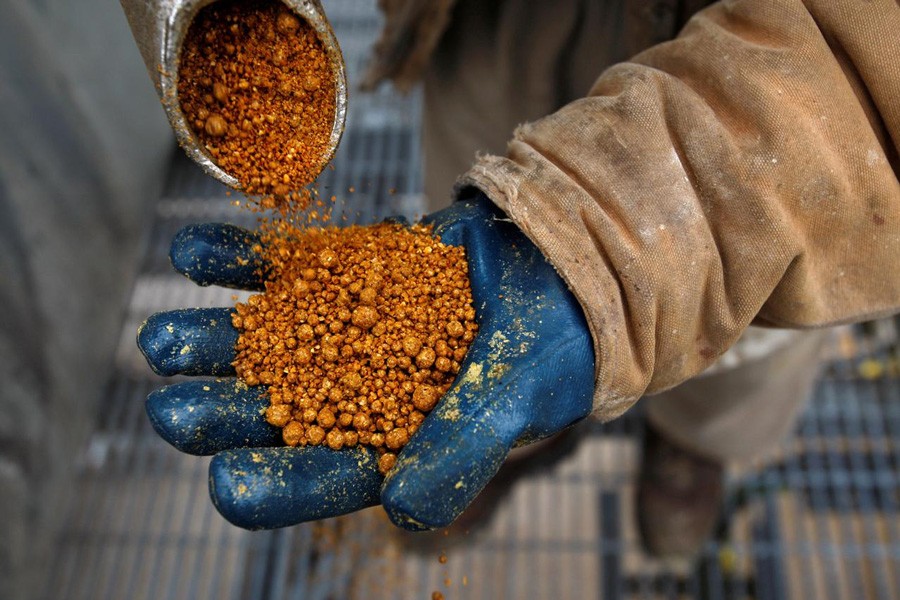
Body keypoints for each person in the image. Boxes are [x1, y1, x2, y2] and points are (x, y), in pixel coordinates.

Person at [138, 0, 899, 562]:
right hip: (497, 20)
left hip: (783, 82)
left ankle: (691, 445)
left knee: (748, 308)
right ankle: (500, 451)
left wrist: (621, 229)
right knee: (493, 259)